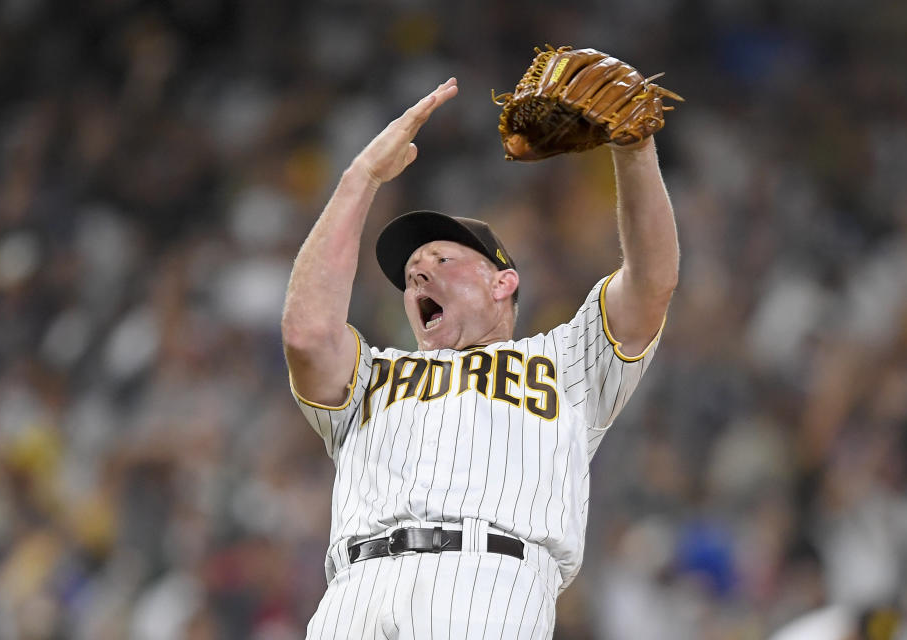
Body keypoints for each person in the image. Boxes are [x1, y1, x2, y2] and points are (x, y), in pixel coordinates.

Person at [281, 76, 679, 639]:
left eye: (440, 259)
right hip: (356, 591)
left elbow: (652, 284)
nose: (417, 272)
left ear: (503, 283)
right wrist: (362, 177)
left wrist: (634, 150)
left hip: (487, 583)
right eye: (410, 272)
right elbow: (306, 334)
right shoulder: (374, 372)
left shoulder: (565, 360)